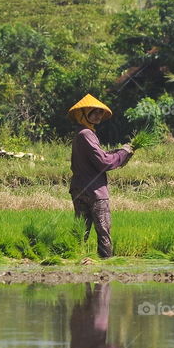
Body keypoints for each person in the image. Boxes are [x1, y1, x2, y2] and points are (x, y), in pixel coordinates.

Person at [68, 94, 134, 258]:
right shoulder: (86, 134)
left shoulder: (81, 133)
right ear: (84, 113)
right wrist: (123, 153)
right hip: (94, 191)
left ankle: (73, 257)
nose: (98, 115)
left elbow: (99, 156)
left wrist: (120, 152)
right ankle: (106, 263)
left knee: (80, 231)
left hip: (79, 188)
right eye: (95, 112)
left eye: (100, 112)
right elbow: (103, 162)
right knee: (104, 231)